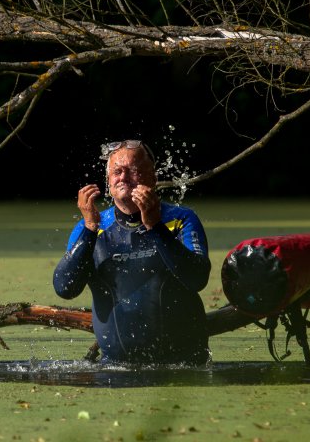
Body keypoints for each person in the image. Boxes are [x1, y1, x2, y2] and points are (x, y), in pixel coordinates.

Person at [53, 140, 212, 365]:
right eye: (117, 171)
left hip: (185, 365)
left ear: (153, 178)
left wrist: (155, 226)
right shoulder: (91, 227)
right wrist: (89, 228)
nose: (124, 177)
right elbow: (65, 288)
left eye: (134, 170)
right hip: (115, 371)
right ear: (108, 181)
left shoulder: (180, 219)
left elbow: (197, 278)